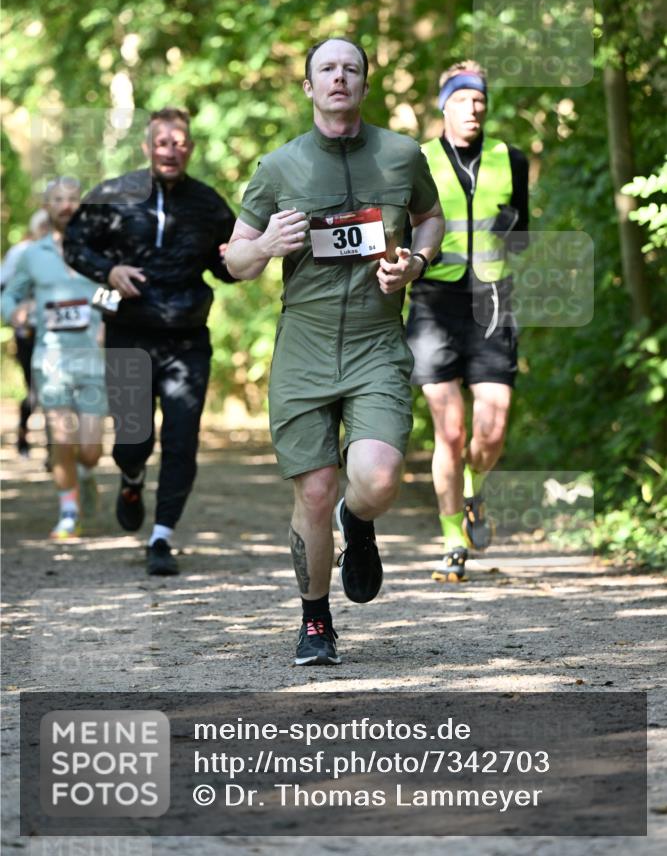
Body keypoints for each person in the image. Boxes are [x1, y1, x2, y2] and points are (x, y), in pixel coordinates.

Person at [225, 37, 445, 666]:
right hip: (305, 345)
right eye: (327, 69)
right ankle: (316, 621)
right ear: (309, 87)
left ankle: (362, 520)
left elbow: (431, 218)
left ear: (365, 84)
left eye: (351, 68)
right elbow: (235, 261)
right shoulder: (279, 167)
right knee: (314, 490)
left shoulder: (402, 155)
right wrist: (266, 242)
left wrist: (418, 263)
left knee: (373, 483)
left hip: (377, 341)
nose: (339, 78)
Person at [63, 108, 237, 576]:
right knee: (132, 439)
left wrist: (237, 257)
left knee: (182, 439)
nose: (171, 150)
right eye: (163, 142)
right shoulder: (114, 195)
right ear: (147, 147)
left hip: (187, 339)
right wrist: (109, 271)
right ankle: (132, 476)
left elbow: (228, 267)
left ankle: (162, 537)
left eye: (180, 142)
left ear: (191, 149)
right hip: (129, 334)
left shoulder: (208, 204)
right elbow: (74, 245)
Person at [406, 61, 529, 582]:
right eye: (462, 99)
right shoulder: (417, 159)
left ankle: (475, 487)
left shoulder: (510, 158)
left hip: (493, 301)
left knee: (491, 431)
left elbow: (523, 233)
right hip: (434, 301)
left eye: (479, 99)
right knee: (450, 432)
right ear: (444, 105)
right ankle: (453, 539)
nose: (473, 108)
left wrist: (511, 226)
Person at [1, 179, 106, 539]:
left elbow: (114, 296)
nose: (66, 205)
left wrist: (107, 315)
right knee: (62, 437)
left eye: (73, 199)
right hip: (51, 359)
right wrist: (17, 313)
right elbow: (8, 298)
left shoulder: (99, 251)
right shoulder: (32, 256)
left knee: (90, 451)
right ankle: (68, 511)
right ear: (47, 206)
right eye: (58, 199)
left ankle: (87, 475)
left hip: (92, 359)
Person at [0, 207, 51, 458]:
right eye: (42, 227)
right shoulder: (22, 254)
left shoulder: (66, 252)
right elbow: (4, 288)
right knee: (35, 388)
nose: (46, 232)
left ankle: (56, 448)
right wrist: (16, 312)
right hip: (28, 332)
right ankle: (23, 436)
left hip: (58, 334)